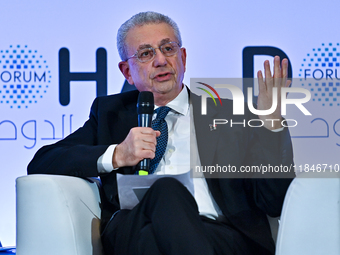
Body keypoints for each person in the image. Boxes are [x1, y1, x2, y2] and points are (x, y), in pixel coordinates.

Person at [28, 11, 294, 255]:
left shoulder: (230, 115)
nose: (160, 60)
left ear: (183, 58)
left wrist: (271, 124)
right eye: (145, 53)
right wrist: (118, 154)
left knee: (154, 238)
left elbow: (272, 200)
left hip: (216, 234)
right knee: (166, 190)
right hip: (133, 226)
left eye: (168, 48)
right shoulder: (111, 114)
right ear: (126, 72)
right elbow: (43, 161)